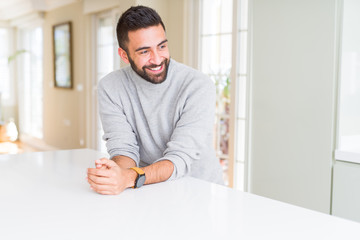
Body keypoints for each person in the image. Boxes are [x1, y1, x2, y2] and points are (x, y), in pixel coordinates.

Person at [87, 5, 223, 195]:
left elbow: (179, 158)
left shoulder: (197, 85)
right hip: (149, 188)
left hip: (199, 190)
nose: (157, 59)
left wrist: (128, 177)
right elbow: (123, 147)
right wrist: (117, 174)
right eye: (144, 52)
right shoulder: (110, 87)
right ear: (124, 55)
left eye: (162, 46)